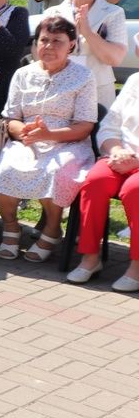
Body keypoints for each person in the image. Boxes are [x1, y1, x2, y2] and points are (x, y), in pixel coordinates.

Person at [0, 16, 97, 263]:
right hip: (27, 138)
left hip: (68, 142)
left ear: (72, 45)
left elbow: (85, 126)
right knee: (4, 169)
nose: (49, 46)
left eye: (58, 41)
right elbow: (10, 118)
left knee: (54, 171)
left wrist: (49, 135)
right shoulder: (22, 74)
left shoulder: (83, 76)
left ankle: (52, 230)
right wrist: (23, 131)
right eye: (44, 40)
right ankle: (11, 227)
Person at [68, 74, 139, 290]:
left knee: (134, 189)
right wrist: (117, 150)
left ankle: (136, 266)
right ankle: (90, 258)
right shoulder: (135, 80)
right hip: (119, 156)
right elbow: (110, 125)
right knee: (95, 182)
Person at [38, 0, 127, 109]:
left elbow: (115, 59)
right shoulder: (52, 13)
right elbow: (41, 54)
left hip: (98, 89)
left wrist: (87, 32)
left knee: (98, 131)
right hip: (59, 86)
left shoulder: (113, 13)